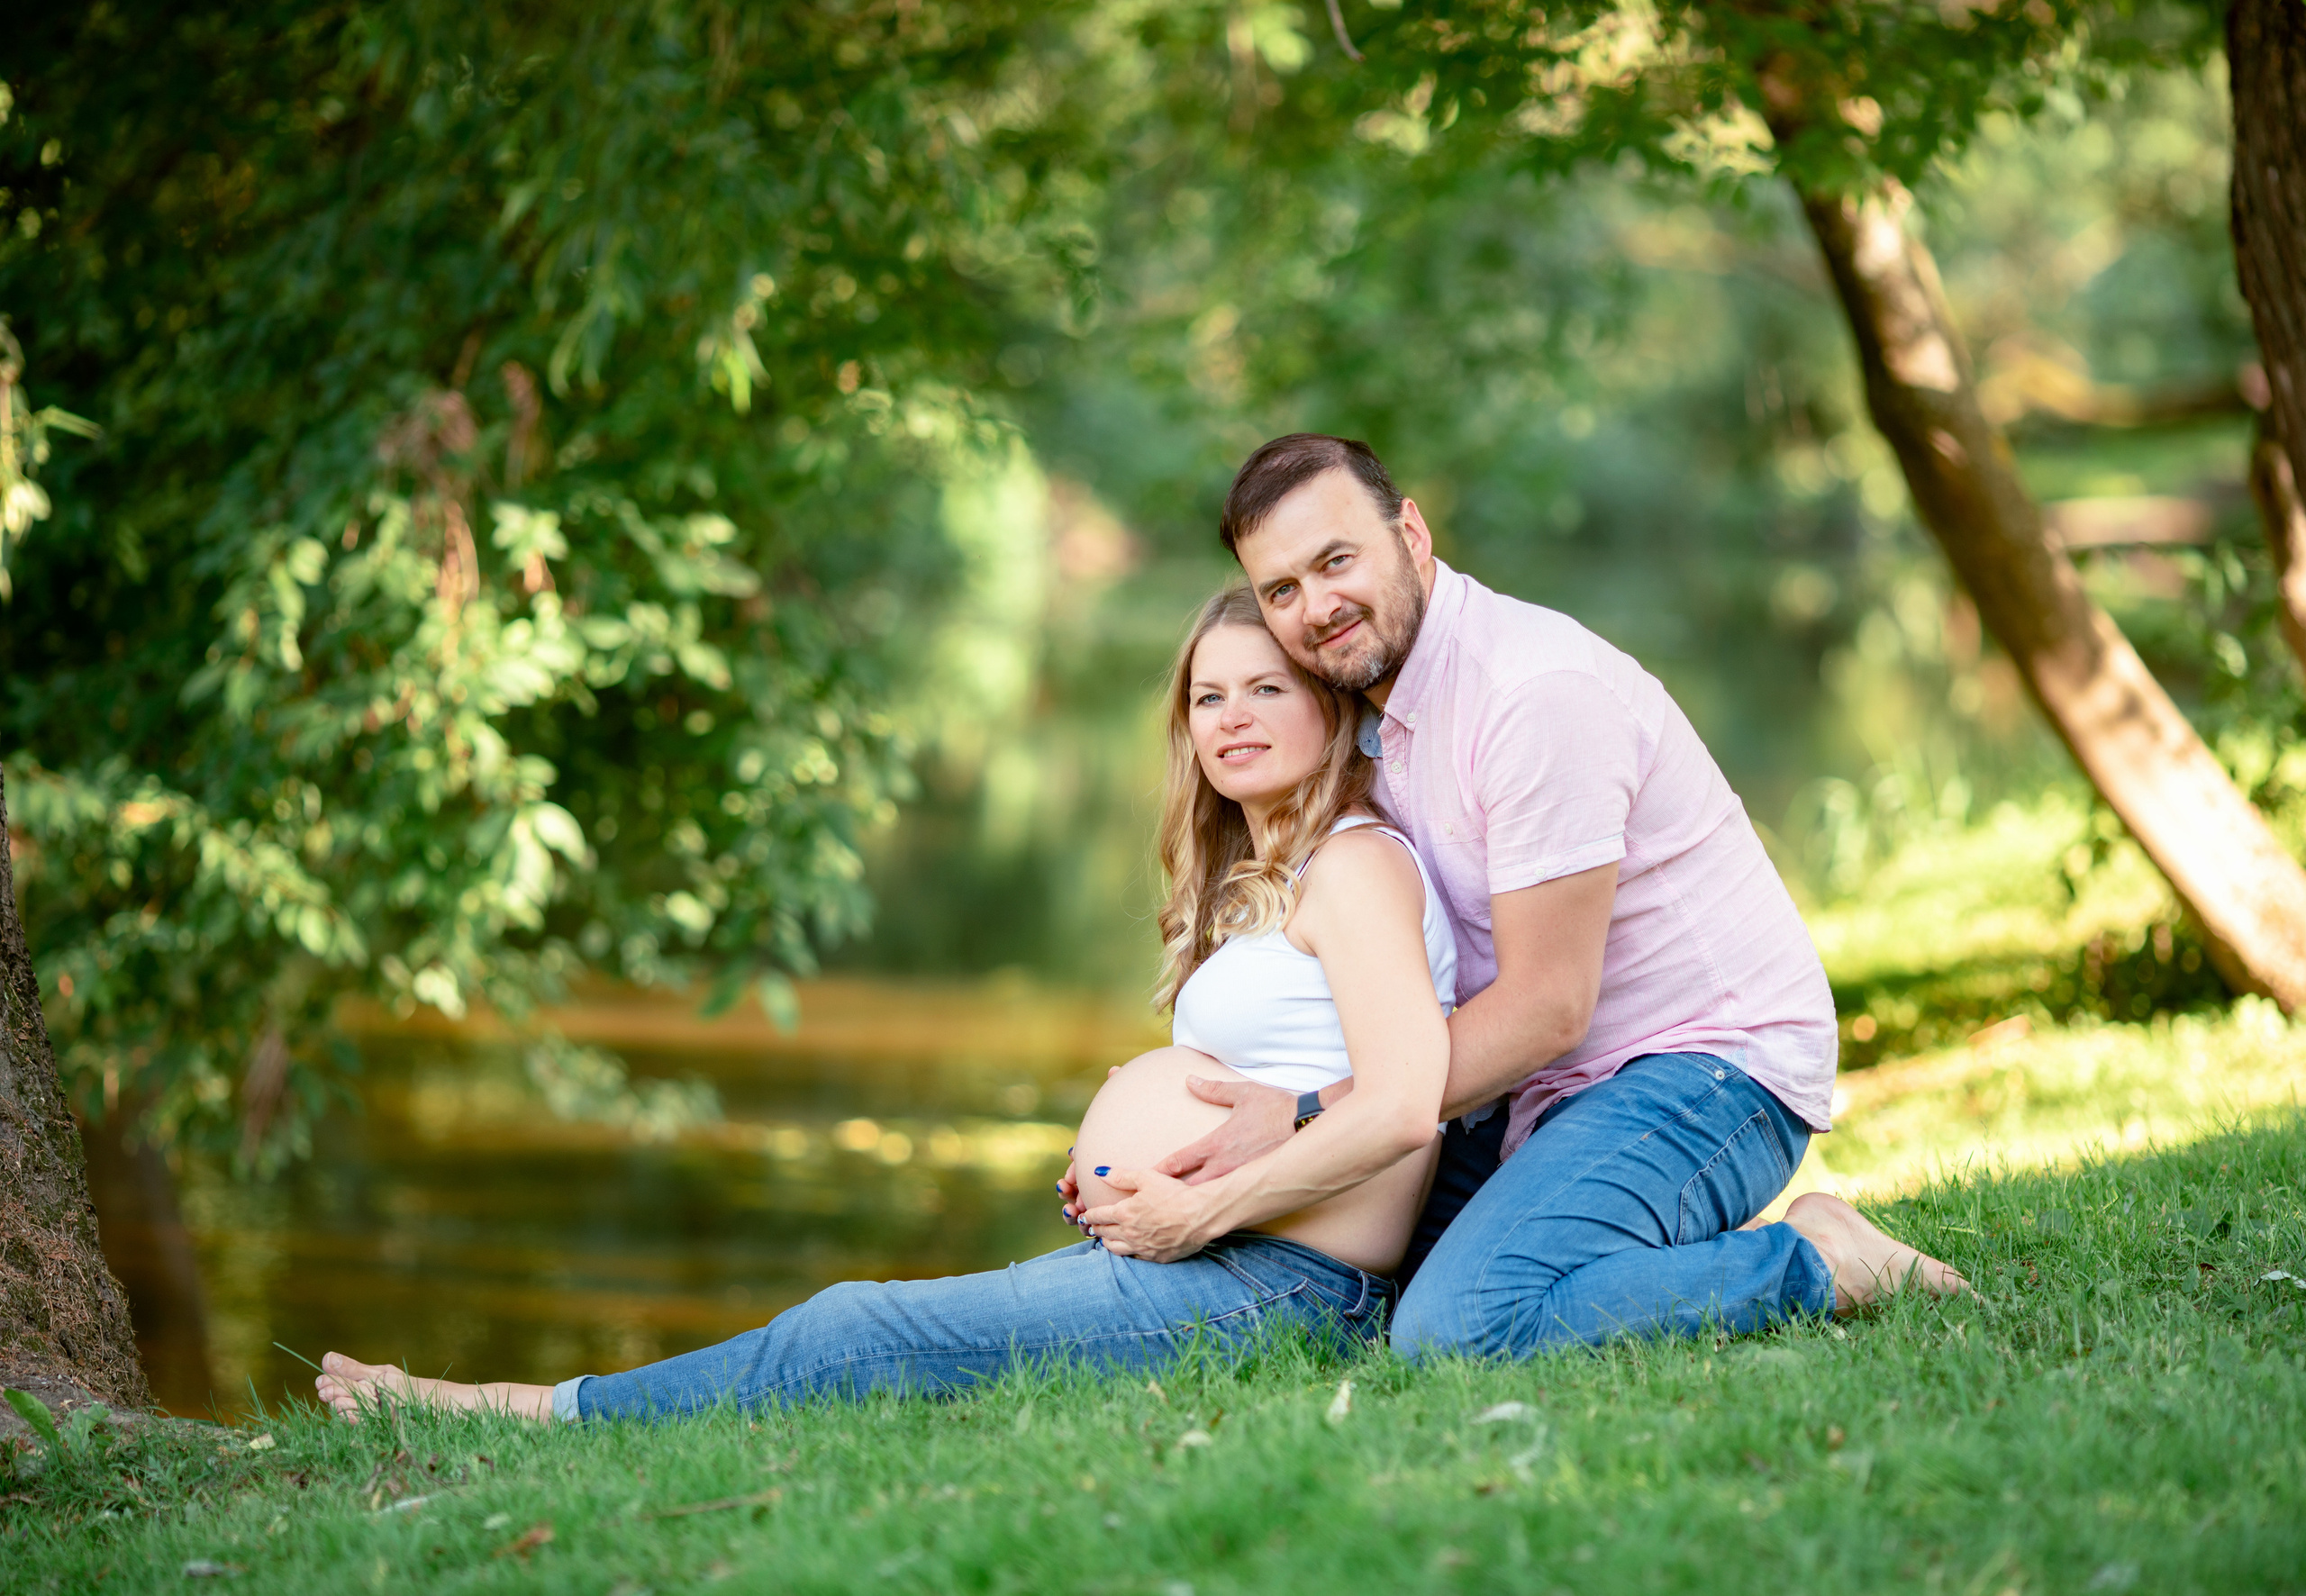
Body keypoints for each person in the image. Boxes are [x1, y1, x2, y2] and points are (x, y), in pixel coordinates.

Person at [316, 586, 1458, 1423]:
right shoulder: (1272, 875)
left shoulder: (1356, 865)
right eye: (1208, 695)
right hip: (1228, 1260)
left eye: (1266, 688)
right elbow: (1295, 1080)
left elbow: (1404, 1106)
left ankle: (524, 1410)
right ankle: (539, 1401)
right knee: (875, 1330)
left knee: (856, 1328)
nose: (1231, 716)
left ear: (1332, 708)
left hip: (1286, 1288)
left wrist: (1194, 1212)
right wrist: (1134, 1168)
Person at [1074, 433, 1966, 1357]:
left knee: (1457, 1324)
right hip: (1530, 1090)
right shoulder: (1369, 711)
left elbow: (1548, 1008)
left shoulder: (1531, 694)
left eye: (1336, 561)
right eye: (1281, 590)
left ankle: (1816, 1260)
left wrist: (1307, 1108)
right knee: (1371, 1285)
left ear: (1410, 534)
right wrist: (1153, 1128)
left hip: (1704, 1067)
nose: (1317, 608)